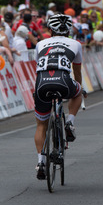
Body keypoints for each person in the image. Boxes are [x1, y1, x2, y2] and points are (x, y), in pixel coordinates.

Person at [33, 14, 83, 180]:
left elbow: (38, 66)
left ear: (50, 29)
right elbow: (77, 72)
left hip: (42, 83)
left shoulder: (40, 44)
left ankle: (40, 161)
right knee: (78, 91)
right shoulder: (75, 44)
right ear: (68, 29)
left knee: (41, 125)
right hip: (64, 81)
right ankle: (69, 122)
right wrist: (80, 87)